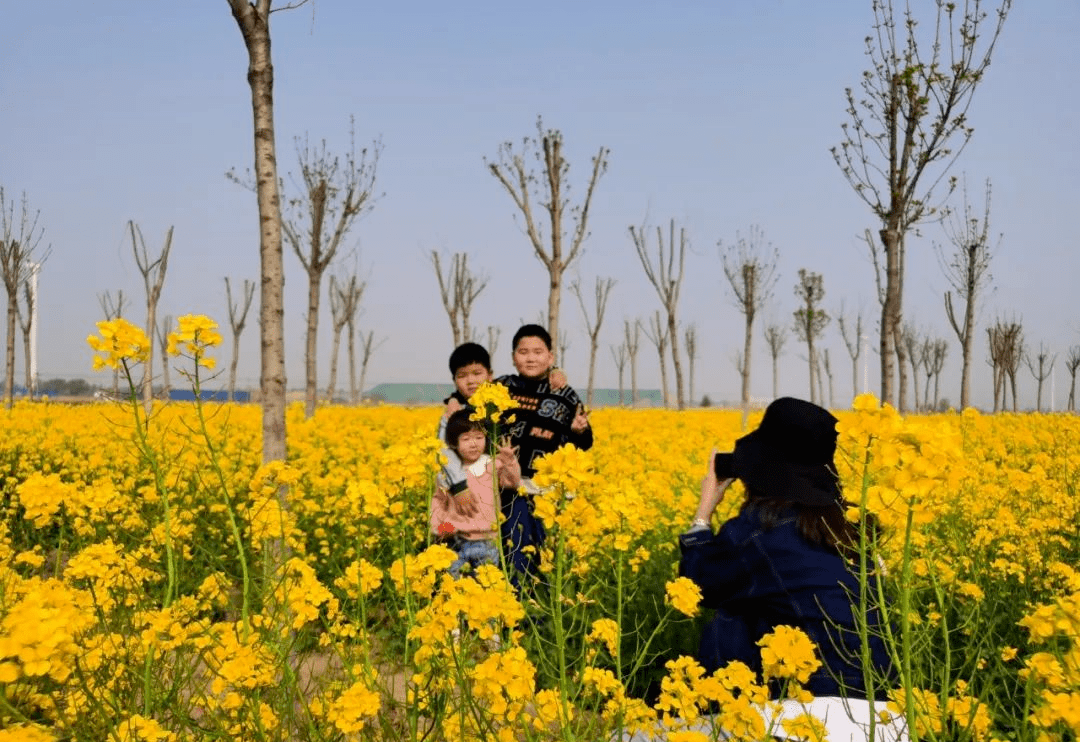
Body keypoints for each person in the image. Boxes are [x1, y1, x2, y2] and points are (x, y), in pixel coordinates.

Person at [679, 397, 894, 701]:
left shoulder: (761, 532)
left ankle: (715, 711)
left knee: (732, 609)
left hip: (809, 716)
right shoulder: (852, 527)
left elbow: (696, 585)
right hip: (882, 715)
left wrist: (704, 512)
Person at [493, 324, 594, 582]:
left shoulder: (565, 393)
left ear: (551, 357)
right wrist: (451, 399)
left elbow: (583, 443)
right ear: (513, 357)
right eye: (523, 351)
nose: (530, 357)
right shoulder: (502, 386)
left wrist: (578, 430)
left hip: (551, 492)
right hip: (512, 487)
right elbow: (471, 401)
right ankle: (520, 612)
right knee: (517, 553)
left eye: (538, 352)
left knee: (551, 559)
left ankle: (544, 615)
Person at [430, 409, 521, 579]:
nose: (474, 444)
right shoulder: (448, 473)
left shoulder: (492, 464)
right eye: (466, 439)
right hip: (455, 540)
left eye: (479, 437)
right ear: (454, 443)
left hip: (487, 540)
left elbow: (513, 482)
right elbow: (439, 501)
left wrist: (509, 460)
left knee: (486, 585)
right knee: (453, 586)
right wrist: (438, 528)